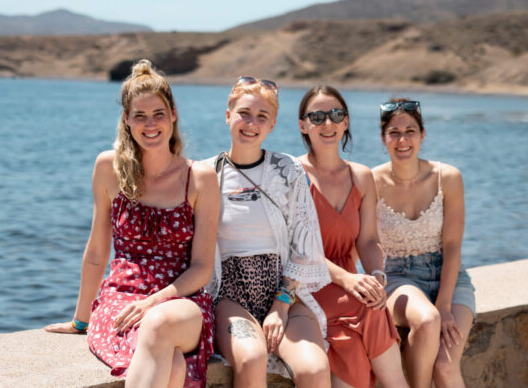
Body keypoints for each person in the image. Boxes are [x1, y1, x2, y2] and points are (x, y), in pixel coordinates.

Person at [45, 59, 221, 388]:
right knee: (172, 366)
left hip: (182, 301)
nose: (150, 124)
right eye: (140, 115)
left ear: (173, 115)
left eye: (158, 114)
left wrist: (153, 302)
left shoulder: (199, 177)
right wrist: (80, 320)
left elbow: (201, 268)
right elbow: (97, 251)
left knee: (158, 323)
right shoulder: (107, 168)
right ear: (126, 119)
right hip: (120, 301)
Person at [206, 76, 332, 388]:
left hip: (284, 291)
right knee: (251, 359)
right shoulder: (206, 174)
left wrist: (281, 305)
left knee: (315, 368)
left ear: (272, 124)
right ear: (228, 116)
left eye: (262, 116)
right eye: (244, 113)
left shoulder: (288, 170)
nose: (252, 123)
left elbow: (304, 243)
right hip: (230, 296)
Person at [297, 85, 409, 388]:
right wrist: (347, 280)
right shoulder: (292, 174)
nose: (328, 123)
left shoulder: (361, 176)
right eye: (317, 117)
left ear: (345, 122)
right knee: (368, 307)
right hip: (305, 282)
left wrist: (377, 276)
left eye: (336, 115)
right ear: (303, 125)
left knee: (369, 307)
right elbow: (294, 250)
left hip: (349, 286)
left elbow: (368, 240)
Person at [372, 98, 475, 388]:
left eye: (410, 131)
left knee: (445, 366)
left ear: (422, 134)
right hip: (398, 277)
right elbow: (362, 240)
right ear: (383, 138)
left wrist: (445, 304)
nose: (402, 140)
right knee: (428, 320)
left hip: (450, 277)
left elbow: (452, 245)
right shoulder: (371, 181)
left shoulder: (448, 177)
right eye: (394, 133)